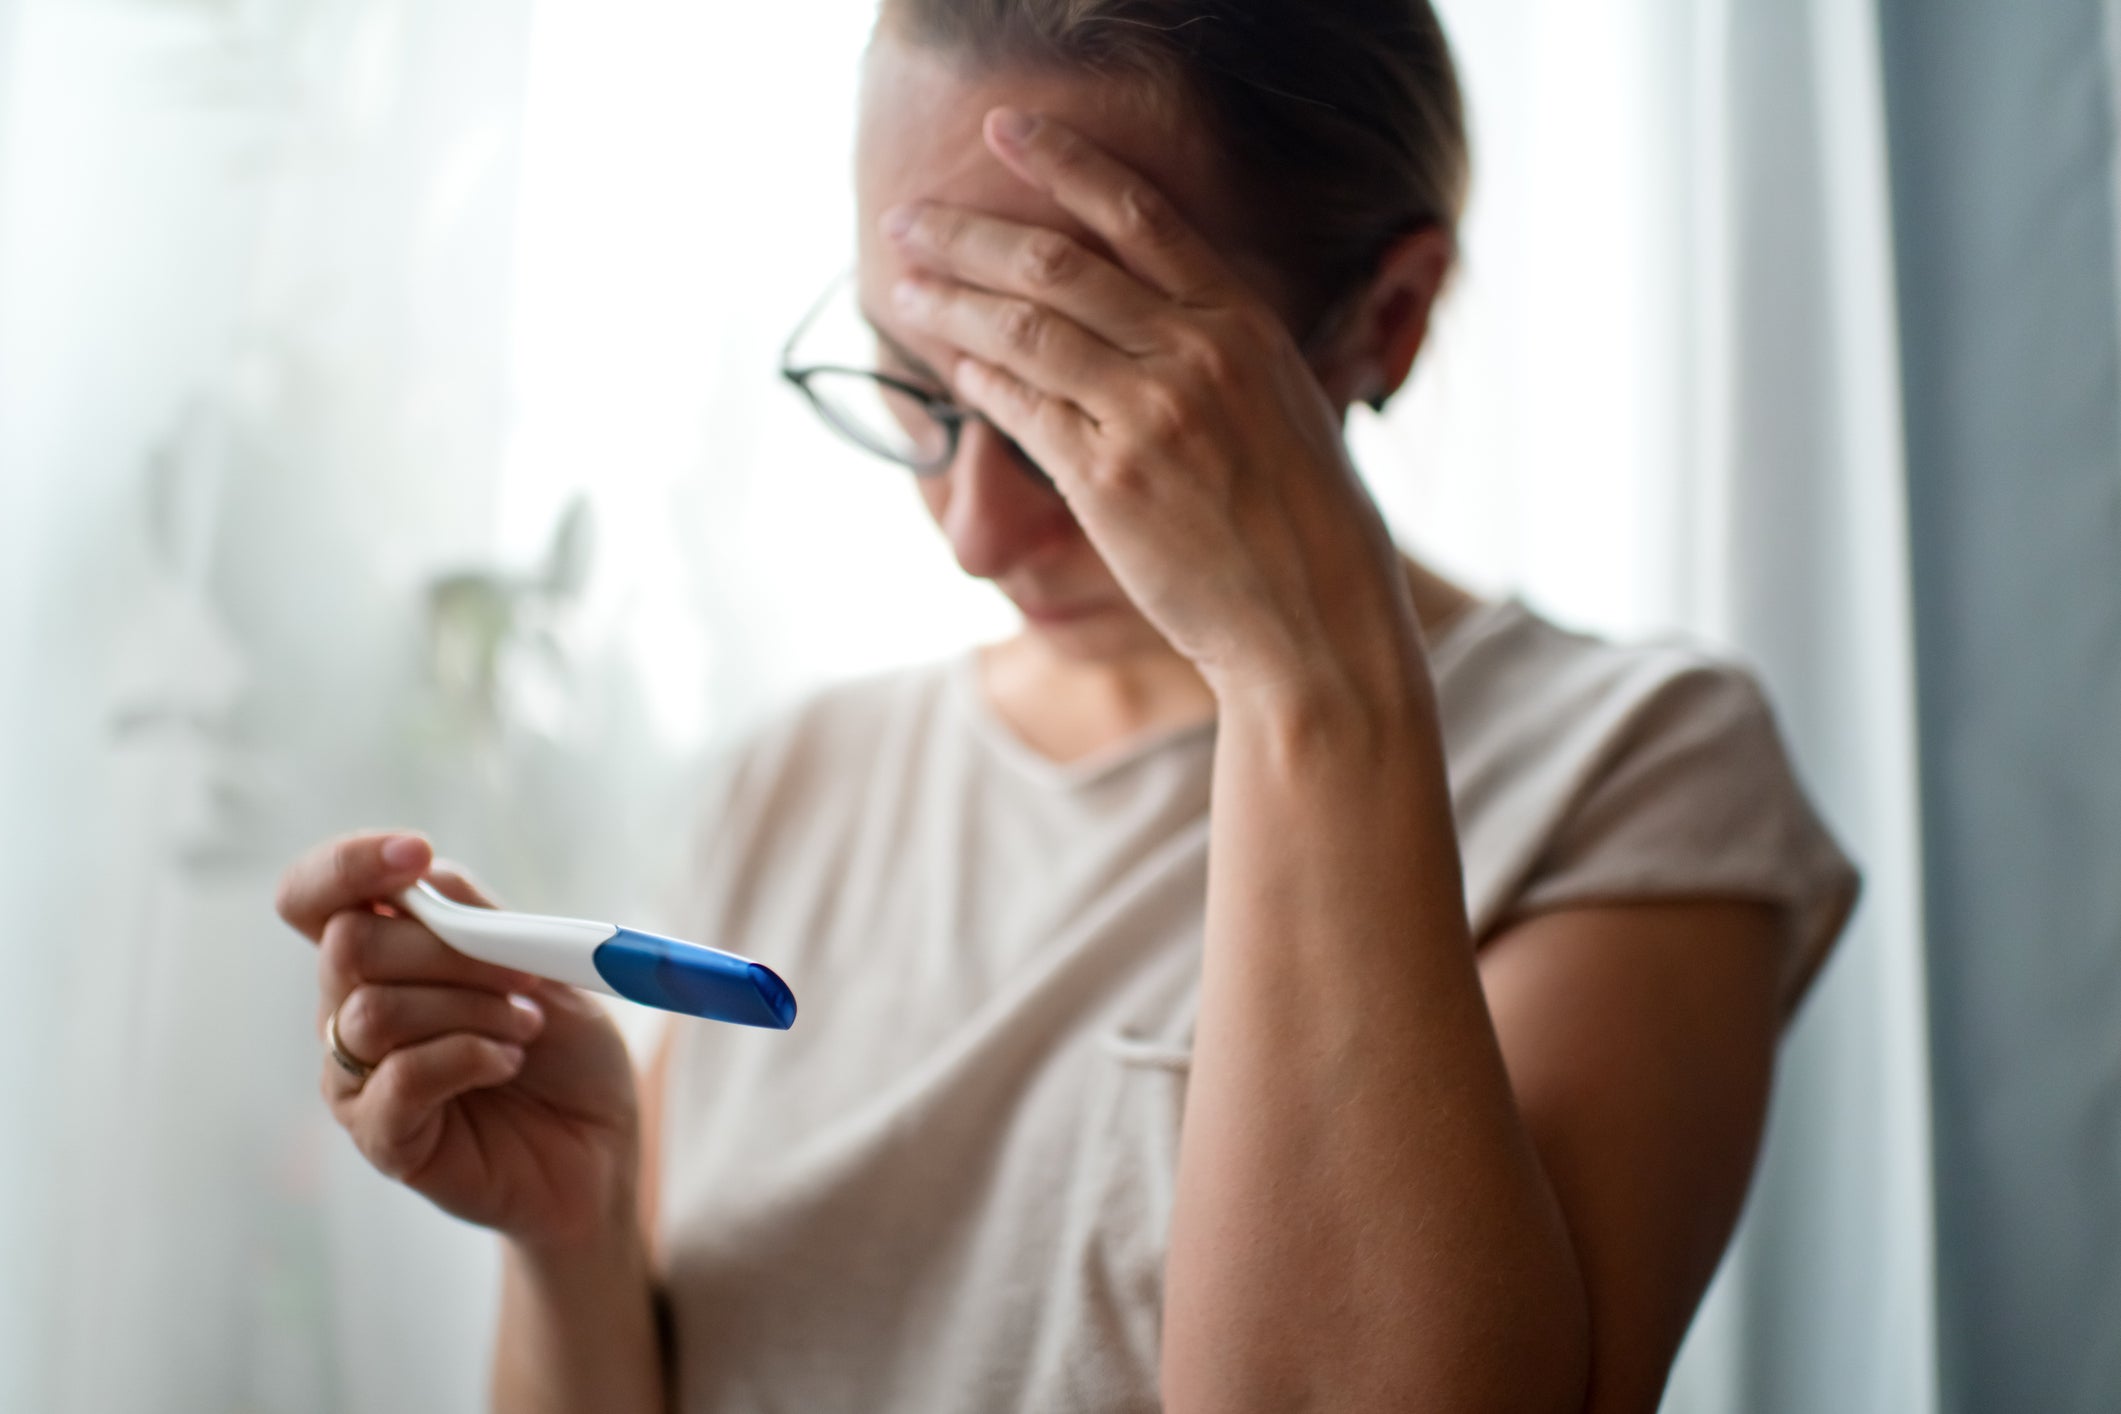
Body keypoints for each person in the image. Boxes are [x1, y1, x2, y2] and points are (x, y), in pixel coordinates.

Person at [273, 2, 1860, 1410]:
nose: (969, 531)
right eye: (912, 388)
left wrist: (1306, 677)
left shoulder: (1631, 768)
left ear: (1380, 323)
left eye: (1061, 413)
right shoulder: (800, 780)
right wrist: (575, 1229)